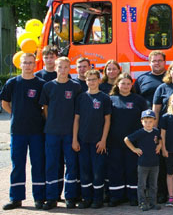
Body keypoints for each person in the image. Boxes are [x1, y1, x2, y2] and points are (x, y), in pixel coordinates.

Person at [1, 53, 46, 210]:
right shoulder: (12, 83)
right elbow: (5, 103)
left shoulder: (41, 84)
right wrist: (15, 113)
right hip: (18, 131)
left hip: (36, 131)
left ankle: (39, 198)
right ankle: (16, 198)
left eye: (30, 62)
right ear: (20, 64)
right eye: (25, 62)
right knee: (17, 165)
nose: (27, 65)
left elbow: (44, 107)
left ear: (35, 65)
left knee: (38, 164)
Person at [39, 57, 82, 210]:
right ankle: (52, 197)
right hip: (51, 132)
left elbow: (78, 112)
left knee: (71, 165)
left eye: (65, 67)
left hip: (70, 133)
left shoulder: (76, 87)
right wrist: (51, 122)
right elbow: (45, 108)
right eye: (60, 67)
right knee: (51, 164)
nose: (63, 70)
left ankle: (70, 197)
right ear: (55, 68)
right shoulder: (48, 86)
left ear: (69, 68)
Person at [72, 69, 112, 209]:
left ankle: (97, 199)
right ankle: (86, 198)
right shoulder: (81, 97)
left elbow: (107, 121)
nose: (92, 82)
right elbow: (76, 120)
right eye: (89, 80)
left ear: (99, 80)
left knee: (98, 171)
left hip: (98, 142)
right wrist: (75, 139)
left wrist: (103, 140)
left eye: (94, 79)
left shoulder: (104, 98)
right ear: (86, 81)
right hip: (83, 141)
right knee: (85, 171)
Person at [107, 73, 148, 207]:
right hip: (114, 141)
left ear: (132, 85)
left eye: (128, 83)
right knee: (115, 169)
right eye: (122, 83)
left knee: (132, 169)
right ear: (117, 84)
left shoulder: (139, 100)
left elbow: (146, 122)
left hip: (133, 143)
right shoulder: (111, 99)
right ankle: (116, 196)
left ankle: (133, 196)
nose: (125, 86)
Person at [124, 109, 162, 211]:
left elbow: (160, 139)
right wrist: (134, 149)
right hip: (143, 164)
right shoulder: (140, 133)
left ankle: (153, 203)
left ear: (154, 121)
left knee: (153, 185)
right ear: (141, 121)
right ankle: (142, 203)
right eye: (145, 121)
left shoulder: (156, 131)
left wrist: (159, 145)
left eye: (150, 121)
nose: (148, 124)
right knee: (142, 185)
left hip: (155, 163)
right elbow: (126, 139)